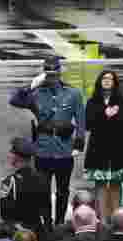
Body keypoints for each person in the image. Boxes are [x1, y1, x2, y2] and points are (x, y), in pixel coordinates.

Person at [9, 55, 86, 225]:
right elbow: (14, 100)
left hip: (64, 149)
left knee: (63, 191)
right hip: (43, 149)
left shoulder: (72, 93)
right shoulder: (36, 93)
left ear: (59, 72)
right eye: (48, 73)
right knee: (42, 190)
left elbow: (81, 120)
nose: (52, 76)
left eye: (54, 72)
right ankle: (46, 223)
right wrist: (30, 85)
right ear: (44, 74)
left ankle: (59, 222)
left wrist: (79, 143)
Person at [84, 69, 123, 220]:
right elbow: (88, 124)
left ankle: (116, 220)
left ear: (115, 83)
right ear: (99, 82)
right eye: (104, 78)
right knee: (100, 185)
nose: (107, 81)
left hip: (117, 150)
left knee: (115, 185)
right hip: (98, 150)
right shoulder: (92, 102)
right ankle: (102, 221)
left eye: (110, 79)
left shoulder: (121, 102)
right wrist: (104, 115)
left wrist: (115, 116)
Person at [0, 137, 51, 232]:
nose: (9, 155)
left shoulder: (9, 182)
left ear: (16, 157)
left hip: (17, 234)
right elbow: (46, 210)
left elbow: (5, 214)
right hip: (37, 232)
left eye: (11, 152)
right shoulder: (44, 179)